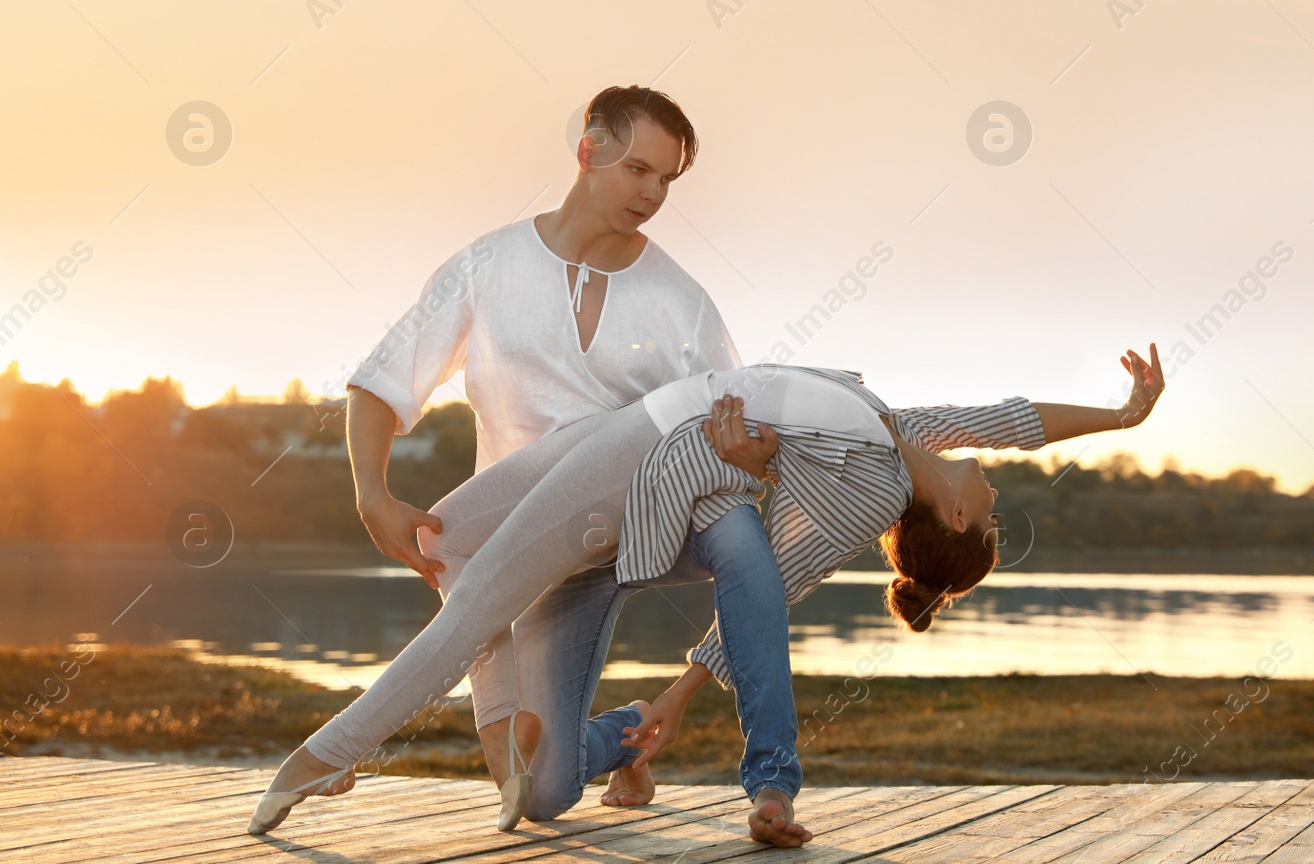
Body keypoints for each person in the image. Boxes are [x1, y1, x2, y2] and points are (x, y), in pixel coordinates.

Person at [248, 348, 1166, 844]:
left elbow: (769, 583)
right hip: (623, 435)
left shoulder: (876, 487)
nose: (998, 494)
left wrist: (756, 469)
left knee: (475, 600)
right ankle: (580, 739)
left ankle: (325, 752)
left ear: (955, 518)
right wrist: (1122, 414)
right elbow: (1017, 420)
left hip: (631, 479)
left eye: (993, 524)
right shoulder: (904, 431)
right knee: (449, 559)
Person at [340, 83, 756, 808]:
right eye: (638, 169)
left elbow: (726, 431)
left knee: (531, 787)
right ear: (588, 148)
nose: (653, 192)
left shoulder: (681, 302)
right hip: (496, 550)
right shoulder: (486, 266)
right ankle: (626, 732)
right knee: (533, 794)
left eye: (666, 179)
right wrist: (371, 491)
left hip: (604, 548)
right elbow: (380, 383)